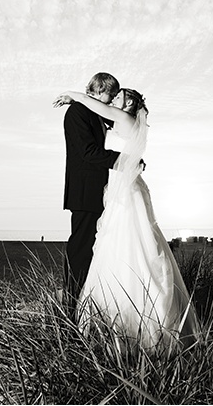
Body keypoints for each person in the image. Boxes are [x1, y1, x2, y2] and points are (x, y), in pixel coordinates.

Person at [53, 87, 199, 352]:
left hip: (124, 186)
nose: (113, 100)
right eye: (113, 96)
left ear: (128, 102)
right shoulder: (124, 120)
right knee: (132, 241)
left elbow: (90, 102)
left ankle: (122, 311)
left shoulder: (120, 118)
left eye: (118, 97)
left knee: (125, 240)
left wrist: (71, 95)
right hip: (125, 184)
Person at [55, 72, 122, 313]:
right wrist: (122, 160)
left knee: (93, 247)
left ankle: (89, 299)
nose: (113, 100)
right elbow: (87, 152)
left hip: (97, 189)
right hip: (84, 190)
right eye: (111, 95)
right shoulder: (77, 113)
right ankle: (71, 302)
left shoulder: (94, 112)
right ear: (99, 89)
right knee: (80, 248)